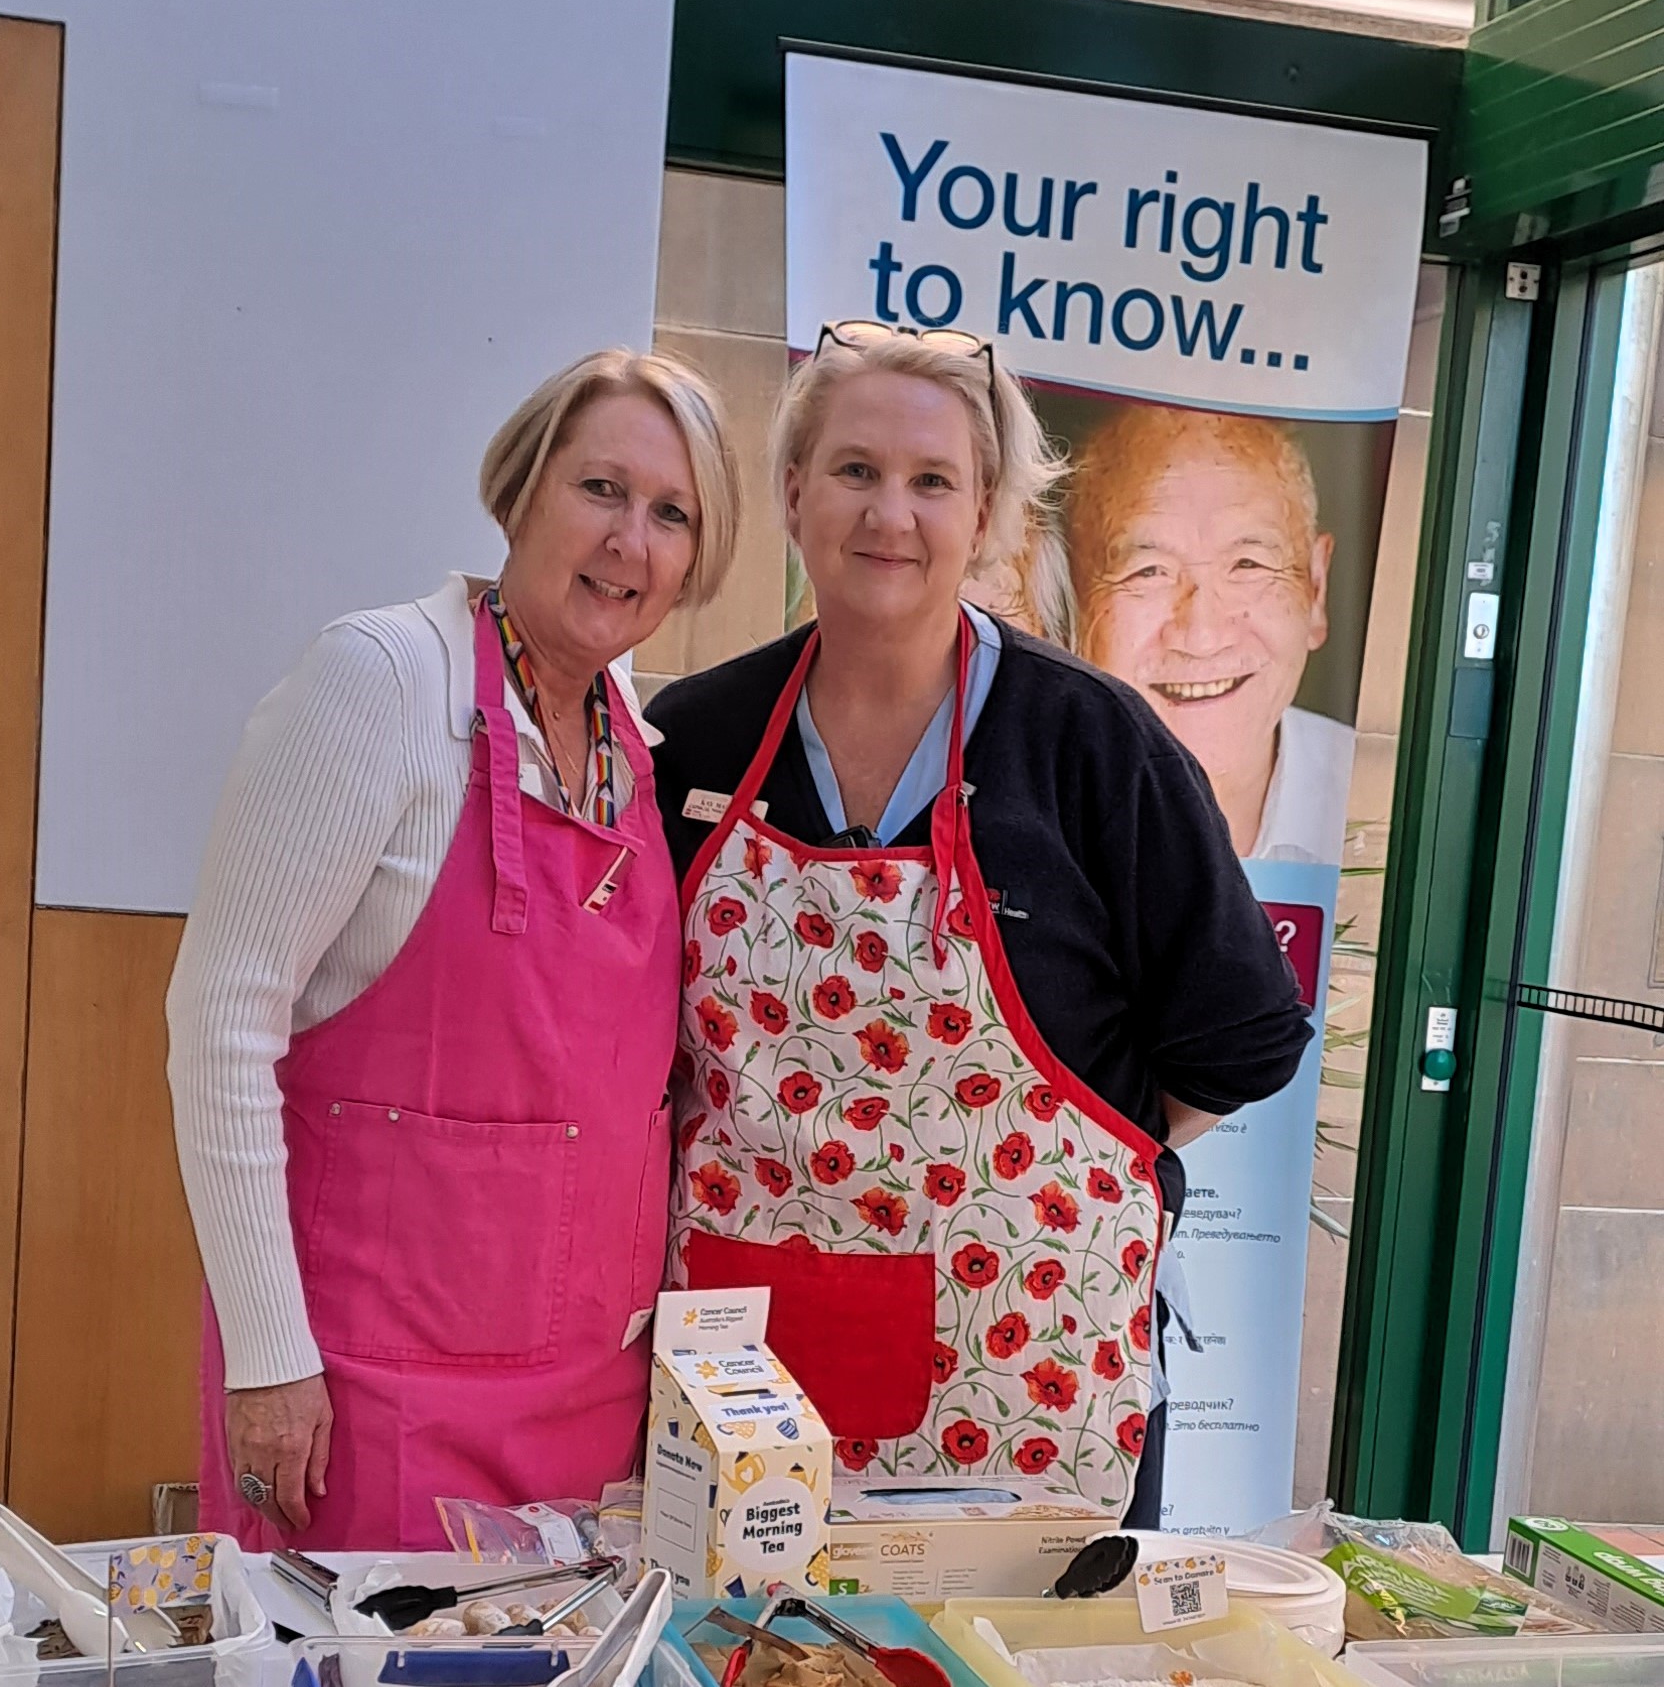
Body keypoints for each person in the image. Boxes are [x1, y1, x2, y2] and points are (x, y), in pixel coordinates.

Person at [647, 322, 1311, 1525]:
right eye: (854, 471)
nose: (888, 515)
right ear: (795, 492)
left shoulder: (1092, 744)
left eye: (931, 481)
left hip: (1033, 1393)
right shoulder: (693, 737)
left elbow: (1244, 1036)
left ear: (988, 511)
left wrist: (1055, 1169)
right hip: (749, 1390)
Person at [169, 348, 740, 1549]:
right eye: (600, 490)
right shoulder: (378, 680)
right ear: (522, 491)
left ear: (695, 563)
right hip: (363, 1398)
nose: (630, 539)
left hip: (586, 1404)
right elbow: (221, 1024)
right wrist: (270, 1355)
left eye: (671, 513)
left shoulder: (639, 749)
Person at [1065, 405, 1354, 865]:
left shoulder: (1379, 803)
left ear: (1315, 589)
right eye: (1148, 572)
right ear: (1074, 601)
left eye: (1248, 565)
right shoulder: (1016, 801)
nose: (1201, 636)